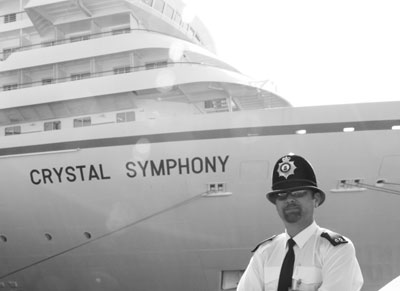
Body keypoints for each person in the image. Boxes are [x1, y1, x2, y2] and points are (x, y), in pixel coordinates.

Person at [237, 154, 363, 291]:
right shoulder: (265, 253)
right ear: (276, 204)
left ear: (316, 199)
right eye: (281, 195)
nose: (289, 199)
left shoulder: (336, 249)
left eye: (298, 192)